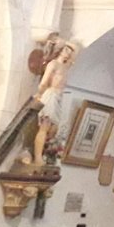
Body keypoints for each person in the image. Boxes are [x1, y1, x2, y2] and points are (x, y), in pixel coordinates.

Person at [30, 39, 79, 167]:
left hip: (58, 97)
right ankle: (38, 157)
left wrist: (69, 44)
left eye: (69, 51)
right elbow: (44, 82)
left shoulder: (65, 66)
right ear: (60, 50)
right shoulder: (53, 64)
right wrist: (39, 94)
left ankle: (45, 153)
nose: (68, 53)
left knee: (54, 129)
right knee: (45, 126)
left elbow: (76, 51)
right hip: (50, 95)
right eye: (66, 50)